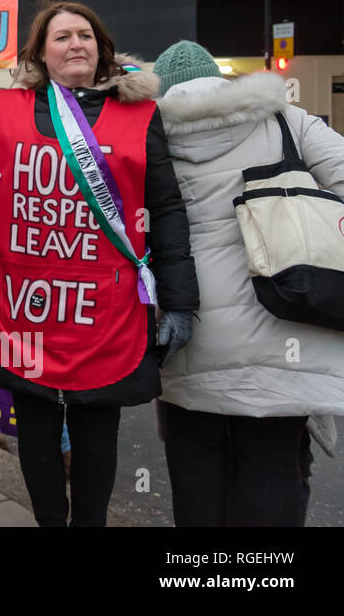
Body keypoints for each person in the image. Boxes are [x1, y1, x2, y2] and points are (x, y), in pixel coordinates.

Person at [0, 1, 200, 527]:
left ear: (102, 48)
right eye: (61, 37)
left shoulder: (141, 114)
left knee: (96, 434)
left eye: (84, 35)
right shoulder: (6, 109)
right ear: (42, 52)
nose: (75, 44)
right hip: (25, 307)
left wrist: (179, 301)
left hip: (103, 310)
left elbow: (168, 210)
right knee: (36, 432)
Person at [153, 40, 344, 526]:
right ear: (221, 79)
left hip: (187, 334)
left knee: (197, 473)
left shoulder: (147, 135)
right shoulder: (284, 118)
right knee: (273, 469)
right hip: (282, 326)